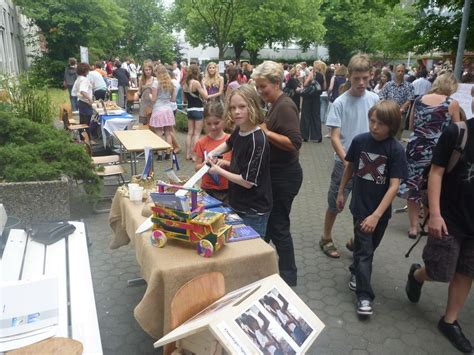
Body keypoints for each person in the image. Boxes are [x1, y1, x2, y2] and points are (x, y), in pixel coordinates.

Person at [405, 118, 474, 353]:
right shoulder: (458, 132)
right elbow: (436, 173)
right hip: (449, 217)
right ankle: (417, 275)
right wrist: (434, 214)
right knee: (440, 270)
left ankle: (449, 321)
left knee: (466, 271)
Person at [336, 100, 408, 316]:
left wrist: (377, 216)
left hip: (381, 212)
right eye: (372, 121)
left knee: (369, 247)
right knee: (366, 252)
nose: (374, 126)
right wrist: (341, 191)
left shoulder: (396, 149)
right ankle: (364, 296)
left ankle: (355, 270)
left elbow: (394, 186)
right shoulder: (360, 141)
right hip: (360, 207)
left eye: (381, 123)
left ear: (392, 125)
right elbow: (349, 167)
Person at [320, 54, 380, 258]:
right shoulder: (340, 102)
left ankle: (358, 239)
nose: (361, 82)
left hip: (370, 163)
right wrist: (347, 159)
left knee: (365, 204)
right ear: (349, 77)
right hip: (344, 163)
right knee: (336, 202)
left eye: (365, 78)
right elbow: (334, 136)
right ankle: (326, 237)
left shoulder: (374, 99)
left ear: (370, 75)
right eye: (357, 78)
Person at [252, 61, 303, 286]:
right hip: (277, 175)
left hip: (285, 177)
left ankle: (289, 277)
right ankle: (260, 266)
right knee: (271, 224)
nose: (261, 91)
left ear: (276, 82)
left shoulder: (284, 106)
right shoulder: (275, 104)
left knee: (279, 225)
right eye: (258, 87)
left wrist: (266, 132)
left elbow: (294, 143)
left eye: (264, 87)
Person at [207, 85, 272, 237]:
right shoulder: (241, 129)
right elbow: (230, 143)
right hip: (237, 203)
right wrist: (213, 153)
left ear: (253, 106)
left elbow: (247, 181)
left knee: (251, 252)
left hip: (253, 210)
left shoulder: (258, 140)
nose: (236, 112)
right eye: (232, 107)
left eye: (242, 107)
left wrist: (218, 170)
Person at [403, 72, 460, 239]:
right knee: (430, 188)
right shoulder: (452, 103)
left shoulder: (419, 99)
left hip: (415, 148)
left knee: (413, 187)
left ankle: (413, 227)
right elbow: (458, 130)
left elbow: (412, 124)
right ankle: (427, 224)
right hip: (437, 150)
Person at [194, 100, 231, 202]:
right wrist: (205, 164)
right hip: (207, 189)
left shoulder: (231, 140)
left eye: (216, 123)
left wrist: (225, 163)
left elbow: (238, 166)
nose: (213, 127)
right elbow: (196, 168)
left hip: (227, 189)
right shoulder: (201, 142)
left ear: (224, 119)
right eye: (209, 124)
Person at [379, 63, 415, 138]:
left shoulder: (409, 86)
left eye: (402, 71)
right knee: (386, 133)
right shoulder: (388, 85)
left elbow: (409, 99)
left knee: (397, 135)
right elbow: (382, 97)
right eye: (398, 71)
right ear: (395, 72)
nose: (400, 73)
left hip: (401, 115)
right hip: (388, 113)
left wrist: (401, 109)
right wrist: (387, 107)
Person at [149, 65, 176, 160]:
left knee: (159, 133)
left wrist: (149, 95)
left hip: (158, 109)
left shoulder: (155, 83)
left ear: (157, 73)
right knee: (168, 133)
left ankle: (160, 154)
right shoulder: (171, 84)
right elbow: (173, 99)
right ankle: (168, 154)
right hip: (168, 110)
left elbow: (153, 99)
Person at [183, 64, 208, 161]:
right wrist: (203, 85)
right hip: (198, 109)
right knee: (197, 133)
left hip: (189, 109)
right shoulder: (197, 83)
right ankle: (194, 155)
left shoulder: (185, 83)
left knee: (190, 133)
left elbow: (185, 99)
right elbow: (205, 96)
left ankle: (187, 154)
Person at [299, 61, 325, 142]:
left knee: (305, 116)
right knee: (316, 116)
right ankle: (317, 136)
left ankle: (305, 136)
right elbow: (324, 87)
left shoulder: (312, 73)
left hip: (308, 97)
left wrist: (305, 82)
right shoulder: (322, 75)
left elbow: (306, 83)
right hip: (316, 97)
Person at [71, 62, 94, 138]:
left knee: (82, 123)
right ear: (86, 71)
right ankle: (88, 140)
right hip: (85, 103)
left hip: (80, 102)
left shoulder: (78, 79)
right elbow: (82, 91)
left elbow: (73, 92)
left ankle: (82, 138)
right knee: (86, 124)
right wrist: (90, 99)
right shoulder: (84, 80)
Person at [136, 60, 157, 125]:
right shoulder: (141, 80)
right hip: (144, 103)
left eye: (149, 69)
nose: (148, 71)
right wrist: (136, 94)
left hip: (152, 103)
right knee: (144, 123)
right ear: (143, 71)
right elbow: (139, 91)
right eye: (146, 70)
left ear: (152, 70)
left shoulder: (155, 79)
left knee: (152, 123)